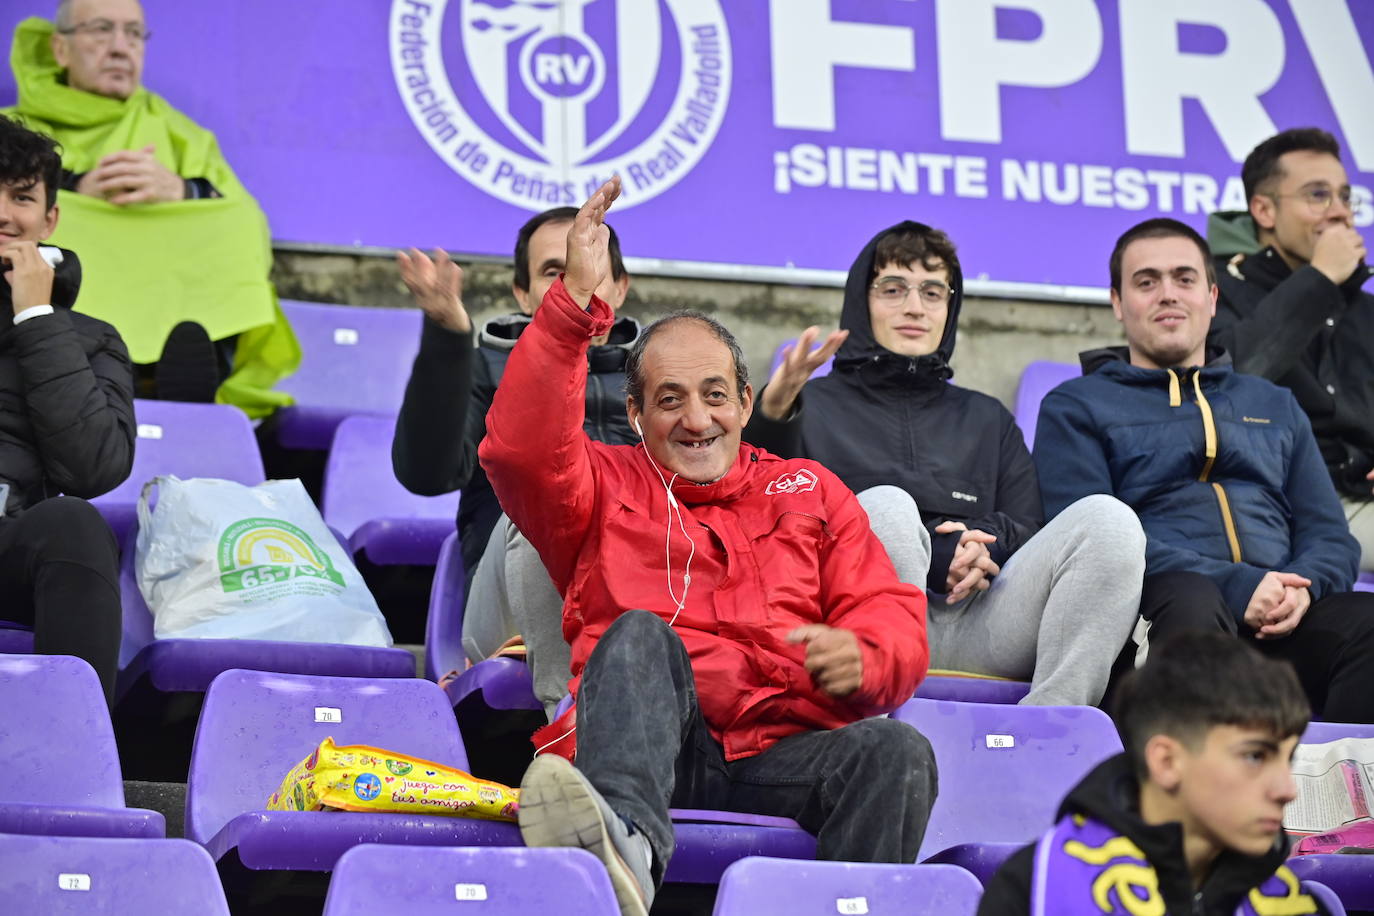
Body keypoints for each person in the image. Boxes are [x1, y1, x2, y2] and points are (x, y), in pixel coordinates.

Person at [478, 178, 937, 916]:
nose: (697, 419)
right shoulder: (600, 481)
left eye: (716, 395)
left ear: (746, 404)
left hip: (778, 750)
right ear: (633, 414)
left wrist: (870, 659)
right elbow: (518, 452)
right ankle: (618, 852)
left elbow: (887, 613)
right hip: (650, 752)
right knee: (637, 636)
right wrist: (570, 313)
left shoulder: (812, 489)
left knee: (897, 752)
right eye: (669, 399)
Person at [745, 221, 1144, 706]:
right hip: (858, 633)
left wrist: (983, 547)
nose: (915, 307)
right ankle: (876, 729)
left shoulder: (986, 417)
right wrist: (774, 411)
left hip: (982, 621)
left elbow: (1028, 524)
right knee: (886, 507)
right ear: (860, 301)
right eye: (893, 289)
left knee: (1109, 520)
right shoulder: (808, 405)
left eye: (933, 292)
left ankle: (1054, 726)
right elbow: (757, 501)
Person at [1035, 217, 1374, 723]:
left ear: (1212, 298)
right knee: (1192, 600)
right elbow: (1089, 541)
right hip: (1164, 614)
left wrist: (1298, 587)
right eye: (1146, 282)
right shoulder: (1075, 407)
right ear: (1117, 303)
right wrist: (1239, 587)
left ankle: (1347, 798)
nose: (1167, 294)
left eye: (1185, 279)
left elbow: (1329, 533)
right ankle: (1191, 799)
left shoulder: (1274, 402)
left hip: (1283, 617)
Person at [391, 206, 637, 717]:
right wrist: (448, 342)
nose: (577, 278)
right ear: (522, 295)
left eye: (587, 260)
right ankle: (572, 734)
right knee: (546, 498)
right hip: (509, 600)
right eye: (555, 270)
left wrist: (773, 415)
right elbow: (426, 472)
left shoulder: (662, 377)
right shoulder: (484, 367)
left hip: (637, 587)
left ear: (620, 286)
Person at [2, 0, 299, 415]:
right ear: (60, 48)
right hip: (51, 312)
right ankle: (91, 362)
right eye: (102, 30)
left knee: (233, 225)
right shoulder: (12, 129)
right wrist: (70, 186)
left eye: (134, 34)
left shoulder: (178, 132)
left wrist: (181, 190)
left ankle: (180, 374)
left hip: (171, 301)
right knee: (45, 224)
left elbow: (239, 213)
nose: (121, 47)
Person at [978, 633, 1327, 915]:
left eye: (1288, 759)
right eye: (1254, 756)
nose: (1286, 789)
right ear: (1166, 762)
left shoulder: (1297, 905)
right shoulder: (1034, 890)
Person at [0, 113, 133, 706]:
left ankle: (72, 755)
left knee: (74, 523)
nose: (4, 214)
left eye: (22, 197)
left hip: (11, 538)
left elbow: (94, 468)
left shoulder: (91, 339)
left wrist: (35, 318)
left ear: (49, 219)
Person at [1207, 128, 1374, 571]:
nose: (1339, 213)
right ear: (1263, 209)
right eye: (1317, 195)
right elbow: (1233, 380)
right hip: (1279, 506)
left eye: (1344, 196)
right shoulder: (1215, 289)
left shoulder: (1363, 304)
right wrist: (1319, 279)